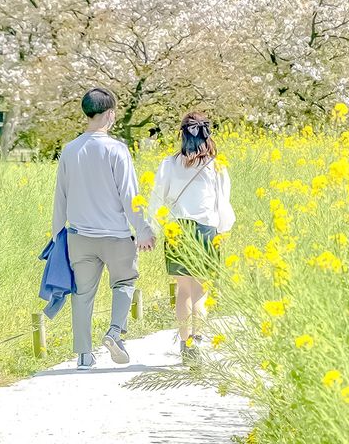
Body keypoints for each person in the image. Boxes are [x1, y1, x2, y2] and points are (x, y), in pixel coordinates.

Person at [52, 88, 156, 370]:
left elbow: (60, 195)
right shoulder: (116, 150)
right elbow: (129, 195)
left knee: (83, 295)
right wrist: (143, 229)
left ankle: (84, 355)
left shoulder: (70, 150)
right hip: (116, 236)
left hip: (79, 237)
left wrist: (56, 233)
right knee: (124, 283)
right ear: (110, 114)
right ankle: (113, 333)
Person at [149, 112, 235, 359]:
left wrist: (152, 229)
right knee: (200, 292)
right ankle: (197, 340)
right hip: (206, 231)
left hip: (178, 230)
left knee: (183, 291)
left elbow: (157, 198)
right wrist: (223, 230)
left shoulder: (168, 164)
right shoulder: (216, 166)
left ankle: (185, 344)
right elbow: (223, 203)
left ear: (182, 135)